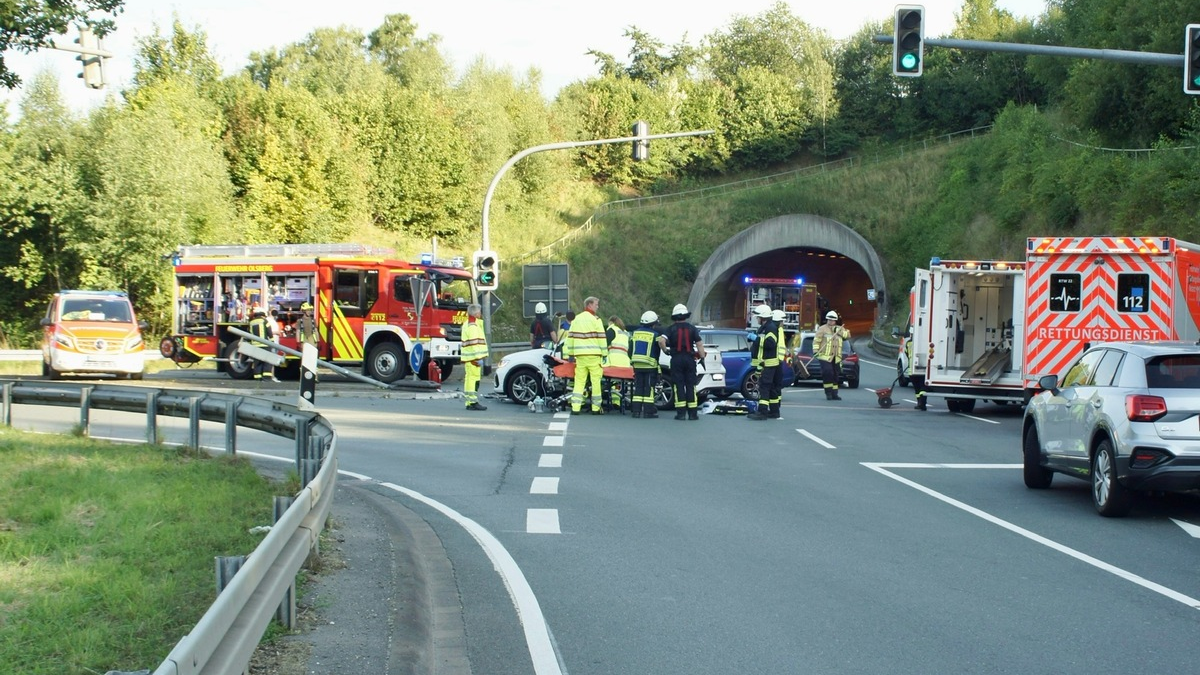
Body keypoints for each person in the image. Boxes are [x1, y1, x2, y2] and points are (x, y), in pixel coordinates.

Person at [659, 303, 705, 420]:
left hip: (676, 359)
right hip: (690, 360)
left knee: (678, 385)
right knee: (691, 385)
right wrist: (702, 357)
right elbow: (699, 344)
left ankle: (681, 414)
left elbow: (661, 341)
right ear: (685, 315)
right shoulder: (692, 328)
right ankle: (693, 414)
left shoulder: (670, 329)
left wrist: (666, 351)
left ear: (675, 317)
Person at [565, 297, 607, 414]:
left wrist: (571, 354)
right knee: (595, 382)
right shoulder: (596, 320)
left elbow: (571, 338)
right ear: (589, 305)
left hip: (580, 356)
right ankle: (596, 408)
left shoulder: (576, 319)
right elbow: (601, 338)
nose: (597, 307)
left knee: (579, 381)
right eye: (596, 304)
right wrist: (604, 354)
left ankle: (575, 408)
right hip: (594, 356)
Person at [750, 308, 785, 420]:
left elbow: (770, 344)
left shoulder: (770, 328)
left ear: (763, 317)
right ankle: (774, 412)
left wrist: (756, 339)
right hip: (766, 362)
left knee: (764, 386)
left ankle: (762, 412)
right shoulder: (766, 327)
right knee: (771, 387)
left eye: (758, 317)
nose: (757, 319)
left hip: (768, 363)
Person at [629, 311, 662, 418]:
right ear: (653, 323)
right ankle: (648, 412)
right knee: (648, 388)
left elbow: (630, 349)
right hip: (650, 365)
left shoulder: (634, 333)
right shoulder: (655, 335)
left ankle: (636, 411)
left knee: (638, 387)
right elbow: (657, 351)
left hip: (637, 365)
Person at [814, 310, 851, 401]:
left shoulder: (840, 328)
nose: (831, 322)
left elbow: (847, 336)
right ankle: (828, 393)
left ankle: (835, 394)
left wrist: (838, 332)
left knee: (835, 375)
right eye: (829, 320)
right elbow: (816, 341)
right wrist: (815, 351)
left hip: (836, 357)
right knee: (828, 373)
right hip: (825, 356)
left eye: (833, 320)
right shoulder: (822, 329)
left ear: (836, 321)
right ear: (827, 320)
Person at [461, 303, 488, 411]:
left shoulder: (468, 324)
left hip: (470, 358)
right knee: (473, 380)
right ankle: (473, 402)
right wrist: (478, 358)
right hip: (474, 359)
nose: (480, 314)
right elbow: (474, 344)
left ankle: (469, 401)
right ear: (476, 313)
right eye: (480, 312)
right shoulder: (473, 326)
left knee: (469, 380)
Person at [604, 315, 631, 410]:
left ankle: (614, 401)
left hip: (613, 361)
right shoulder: (626, 333)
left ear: (611, 322)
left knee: (611, 382)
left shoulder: (612, 330)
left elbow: (604, 345)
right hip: (625, 363)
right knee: (619, 383)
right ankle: (619, 401)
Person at [248, 305, 278, 382]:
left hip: (255, 345)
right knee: (267, 361)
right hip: (264, 344)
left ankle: (258, 377)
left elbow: (248, 334)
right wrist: (272, 342)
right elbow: (269, 332)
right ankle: (266, 377)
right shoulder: (264, 321)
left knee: (257, 362)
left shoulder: (251, 322)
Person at [905, 335, 927, 411]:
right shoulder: (925, 342)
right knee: (923, 387)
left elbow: (907, 353)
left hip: (912, 370)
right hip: (924, 370)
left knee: (917, 389)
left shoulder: (908, 343)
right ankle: (922, 404)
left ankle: (919, 403)